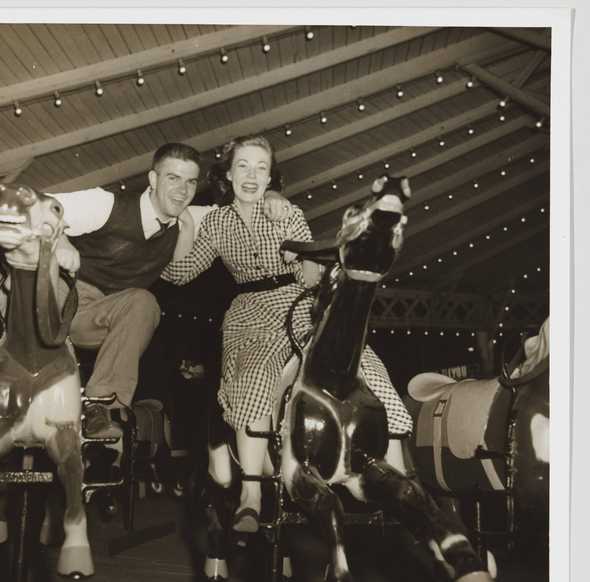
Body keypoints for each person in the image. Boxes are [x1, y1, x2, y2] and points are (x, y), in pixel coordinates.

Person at [0, 142, 292, 440]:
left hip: (93, 314)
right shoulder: (106, 204)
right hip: (45, 288)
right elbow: (38, 206)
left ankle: (103, 404)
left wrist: (274, 195)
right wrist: (60, 236)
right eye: (172, 179)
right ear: (152, 178)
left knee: (144, 302)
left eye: (190, 182)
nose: (181, 190)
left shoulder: (194, 218)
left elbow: (245, 203)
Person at [162, 134, 413, 533]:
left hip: (297, 303)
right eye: (243, 165)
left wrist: (301, 254)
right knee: (255, 371)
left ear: (270, 177)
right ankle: (251, 493)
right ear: (228, 173)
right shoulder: (214, 222)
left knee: (358, 360)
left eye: (262, 167)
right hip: (248, 312)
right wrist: (185, 222)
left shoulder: (286, 211)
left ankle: (401, 477)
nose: (252, 174)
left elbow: (307, 275)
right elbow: (179, 273)